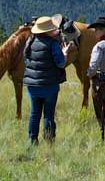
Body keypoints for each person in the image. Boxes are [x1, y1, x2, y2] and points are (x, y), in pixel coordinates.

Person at [23, 14, 71, 145]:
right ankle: (49, 140)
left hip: (32, 86)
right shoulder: (53, 44)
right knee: (48, 114)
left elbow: (26, 60)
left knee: (34, 114)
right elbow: (61, 63)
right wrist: (65, 53)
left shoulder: (30, 42)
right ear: (48, 31)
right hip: (50, 86)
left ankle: (32, 141)